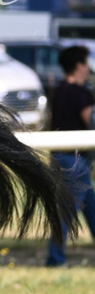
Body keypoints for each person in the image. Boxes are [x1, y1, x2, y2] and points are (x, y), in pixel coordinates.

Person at [45, 44, 95, 266]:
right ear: (78, 66)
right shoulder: (81, 94)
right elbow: (91, 122)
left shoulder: (59, 91)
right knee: (67, 214)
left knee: (91, 207)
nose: (88, 67)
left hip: (60, 158)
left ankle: (56, 257)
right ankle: (55, 259)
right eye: (86, 63)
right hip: (76, 161)